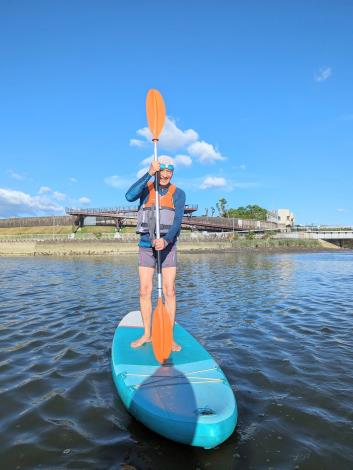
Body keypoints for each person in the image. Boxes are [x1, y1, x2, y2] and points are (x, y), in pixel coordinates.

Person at [125, 156, 186, 351]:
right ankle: (147, 334)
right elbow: (129, 196)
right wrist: (149, 173)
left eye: (170, 171)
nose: (166, 174)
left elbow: (177, 221)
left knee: (170, 291)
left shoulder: (179, 193)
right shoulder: (147, 188)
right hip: (146, 244)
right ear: (158, 170)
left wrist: (166, 240)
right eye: (163, 170)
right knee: (144, 290)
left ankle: (168, 337)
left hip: (168, 246)